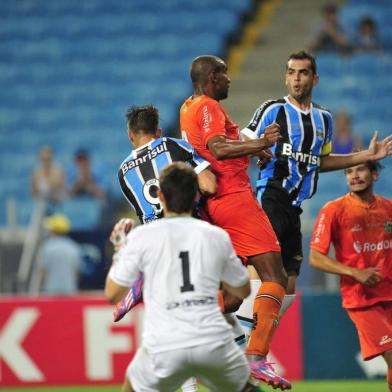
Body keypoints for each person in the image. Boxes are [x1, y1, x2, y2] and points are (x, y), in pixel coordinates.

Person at [241, 50, 392, 302]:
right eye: (291, 73)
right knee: (265, 275)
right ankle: (243, 336)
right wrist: (259, 147)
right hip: (271, 197)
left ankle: (258, 337)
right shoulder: (272, 109)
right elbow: (243, 141)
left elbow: (321, 161)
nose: (296, 79)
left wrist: (366, 155)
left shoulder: (324, 119)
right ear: (286, 78)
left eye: (303, 73)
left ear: (315, 79)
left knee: (288, 288)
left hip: (295, 207)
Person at [180, 55, 291, 390]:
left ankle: (190, 341)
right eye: (225, 75)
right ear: (212, 77)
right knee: (276, 276)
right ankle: (256, 357)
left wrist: (249, 149)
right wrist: (260, 142)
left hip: (212, 206)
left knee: (230, 295)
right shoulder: (209, 106)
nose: (230, 80)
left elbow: (211, 149)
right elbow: (218, 148)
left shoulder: (187, 107)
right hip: (234, 199)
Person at [105, 162, 262, 392]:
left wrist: (120, 250)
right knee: (246, 387)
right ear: (196, 196)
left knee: (130, 387)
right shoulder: (216, 236)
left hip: (163, 343)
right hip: (212, 341)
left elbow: (112, 294)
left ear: (160, 196)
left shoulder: (142, 237)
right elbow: (242, 291)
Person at [111, 105, 217, 392]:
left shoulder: (123, 172)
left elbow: (144, 216)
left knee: (172, 326)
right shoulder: (173, 145)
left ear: (131, 135)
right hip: (190, 240)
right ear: (158, 131)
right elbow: (208, 186)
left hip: (156, 252)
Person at [309, 161, 392, 392]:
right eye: (349, 171)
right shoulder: (333, 210)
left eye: (361, 169)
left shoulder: (388, 208)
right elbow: (315, 257)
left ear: (374, 174)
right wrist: (355, 272)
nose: (354, 176)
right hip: (362, 300)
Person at [37, 214, 82, 294]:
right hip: (70, 291)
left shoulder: (47, 247)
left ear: (53, 230)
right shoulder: (73, 247)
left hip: (50, 292)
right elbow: (77, 272)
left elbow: (42, 271)